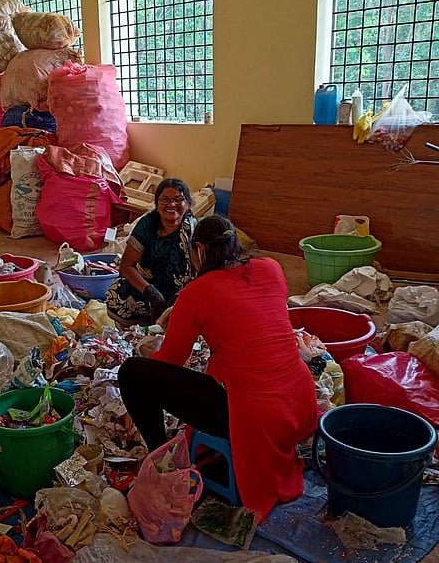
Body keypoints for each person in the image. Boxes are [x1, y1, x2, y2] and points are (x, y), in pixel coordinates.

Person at [118, 214, 318, 522]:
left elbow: (171, 359)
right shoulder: (271, 269)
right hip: (299, 405)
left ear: (198, 250)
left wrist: (154, 351)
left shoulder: (196, 293)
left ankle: (158, 455)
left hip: (257, 417)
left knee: (132, 372)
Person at [105, 178, 197, 325]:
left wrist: (181, 295)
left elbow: (202, 272)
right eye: (165, 199)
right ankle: (144, 326)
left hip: (182, 292)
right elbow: (126, 266)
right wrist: (150, 293)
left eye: (178, 199)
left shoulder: (192, 229)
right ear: (157, 204)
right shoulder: (147, 224)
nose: (172, 204)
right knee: (116, 293)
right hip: (150, 286)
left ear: (188, 204)